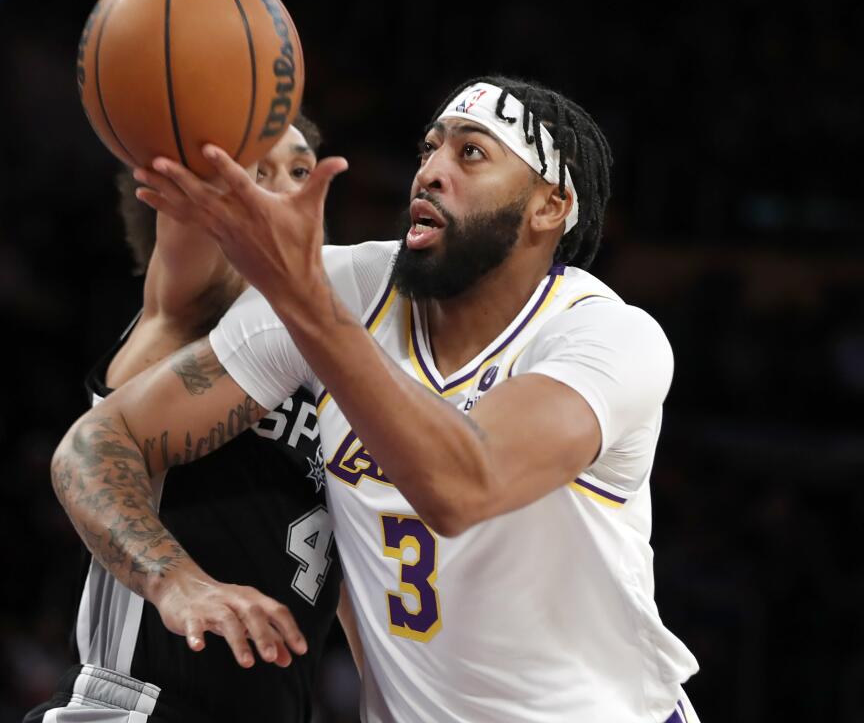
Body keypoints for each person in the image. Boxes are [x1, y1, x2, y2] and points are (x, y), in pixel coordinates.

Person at [50, 75, 702, 721]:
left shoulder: (605, 339)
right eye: (430, 149)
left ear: (549, 206)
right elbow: (96, 442)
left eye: (471, 153)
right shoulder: (347, 287)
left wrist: (307, 304)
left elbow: (459, 487)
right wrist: (173, 580)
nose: (431, 172)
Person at [23, 0, 350, 722]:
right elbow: (214, 90)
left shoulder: (343, 356)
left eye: (299, 170)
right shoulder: (198, 309)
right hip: (143, 704)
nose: (278, 186)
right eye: (255, 167)